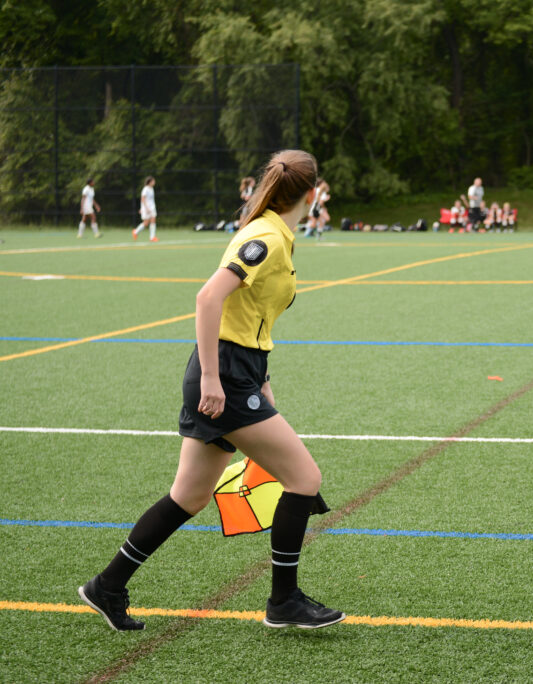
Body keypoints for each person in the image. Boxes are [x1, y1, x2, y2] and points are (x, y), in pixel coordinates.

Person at [77, 149, 345, 632]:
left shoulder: (271, 232)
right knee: (304, 478)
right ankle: (283, 603)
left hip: (239, 369)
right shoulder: (266, 236)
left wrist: (261, 378)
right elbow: (208, 298)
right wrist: (212, 378)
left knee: (189, 495)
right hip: (222, 374)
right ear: (311, 193)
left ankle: (107, 586)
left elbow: (249, 314)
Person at [132, 177, 158, 242]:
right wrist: (144, 208)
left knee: (153, 220)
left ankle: (152, 237)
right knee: (146, 223)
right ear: (149, 182)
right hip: (146, 208)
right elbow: (143, 199)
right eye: (153, 181)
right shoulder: (145, 189)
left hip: (152, 207)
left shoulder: (152, 189)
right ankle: (135, 232)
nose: (154, 182)